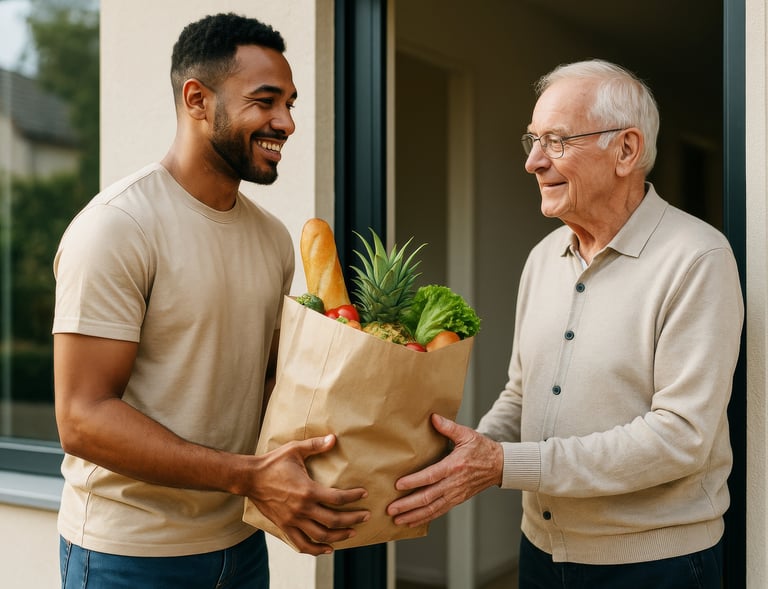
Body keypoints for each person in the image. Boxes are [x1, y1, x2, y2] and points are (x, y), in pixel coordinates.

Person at [387, 59, 743, 588]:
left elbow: (681, 436)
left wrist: (502, 465)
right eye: (532, 139)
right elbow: (520, 395)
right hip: (541, 552)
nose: (533, 161)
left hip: (654, 567)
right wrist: (462, 460)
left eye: (556, 141)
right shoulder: (543, 257)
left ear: (626, 150)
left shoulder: (697, 258)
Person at [53, 12, 368, 588]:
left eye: (291, 104)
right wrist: (250, 476)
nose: (287, 123)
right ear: (197, 99)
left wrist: (341, 452)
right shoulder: (118, 228)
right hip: (129, 557)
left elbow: (268, 381)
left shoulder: (273, 237)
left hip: (240, 543)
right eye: (266, 101)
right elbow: (82, 419)